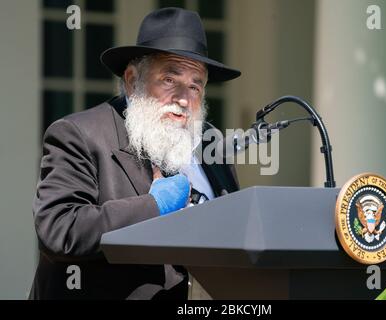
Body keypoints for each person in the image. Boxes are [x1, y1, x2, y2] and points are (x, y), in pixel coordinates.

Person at [29, 7, 240, 300]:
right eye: (169, 80)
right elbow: (61, 230)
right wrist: (154, 206)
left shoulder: (212, 146)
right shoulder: (78, 134)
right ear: (132, 80)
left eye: (195, 85)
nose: (183, 98)